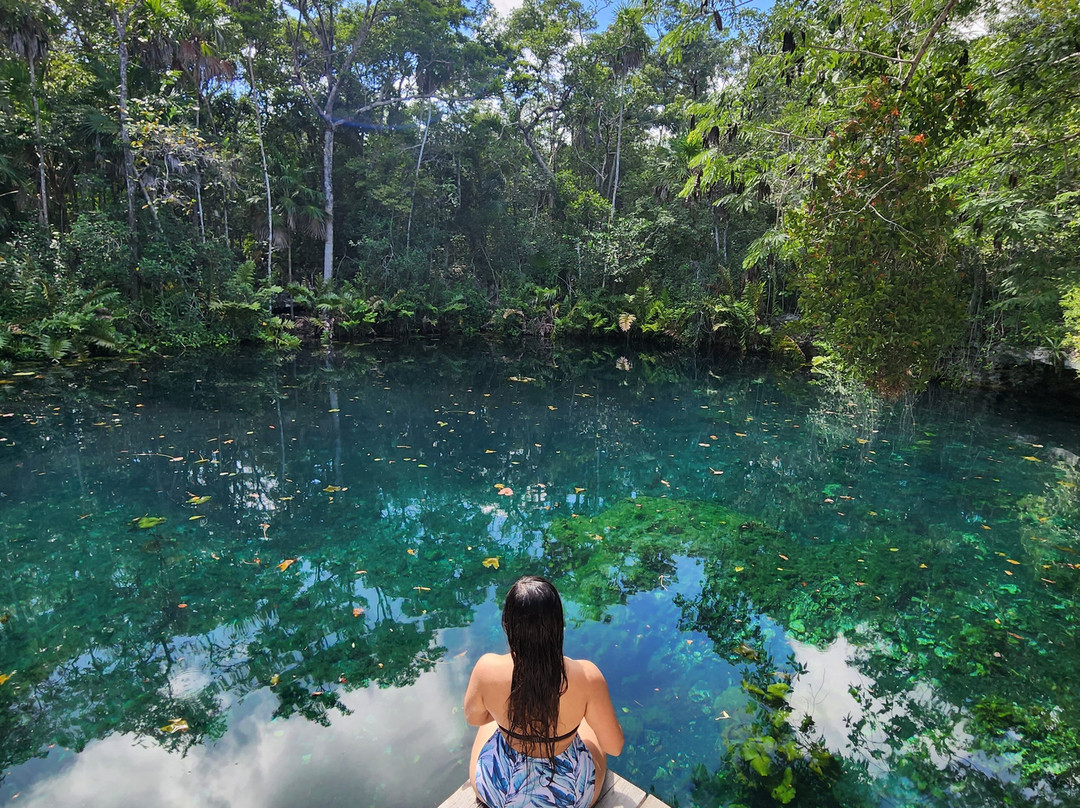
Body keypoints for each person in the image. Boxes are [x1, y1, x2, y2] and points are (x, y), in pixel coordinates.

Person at [464, 575, 624, 808]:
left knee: (489, 722)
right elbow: (614, 747)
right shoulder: (587, 677)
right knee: (589, 724)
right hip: (566, 798)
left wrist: (511, 715)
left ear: (508, 625)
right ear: (558, 625)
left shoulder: (486, 669)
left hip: (502, 792)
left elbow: (474, 718)